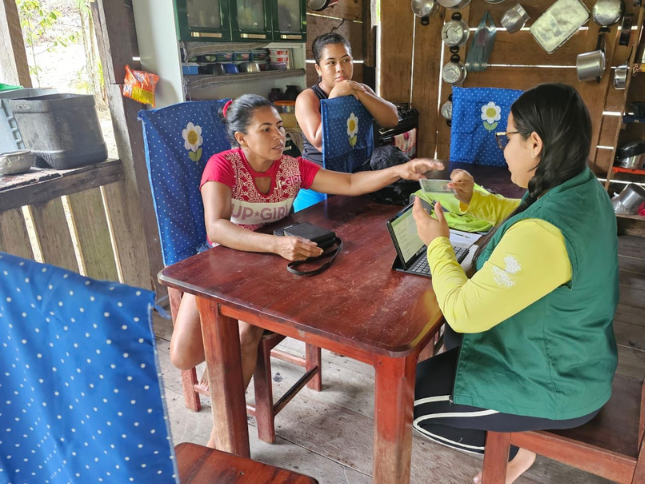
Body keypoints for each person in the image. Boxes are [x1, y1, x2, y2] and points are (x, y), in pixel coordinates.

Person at [168, 94, 442, 449]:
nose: (278, 136)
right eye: (265, 129)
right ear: (242, 138)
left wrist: (399, 170)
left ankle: (221, 438)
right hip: (225, 264)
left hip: (274, 271)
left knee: (248, 331)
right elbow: (216, 228)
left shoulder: (291, 167)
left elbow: (348, 183)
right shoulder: (222, 166)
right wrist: (276, 245)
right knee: (183, 356)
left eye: (280, 127)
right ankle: (223, 373)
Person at [410, 83, 619, 484]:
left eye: (507, 138)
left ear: (535, 143)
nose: (504, 148)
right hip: (573, 355)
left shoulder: (545, 231)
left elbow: (465, 312)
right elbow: (522, 211)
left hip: (553, 383)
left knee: (409, 401)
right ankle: (519, 441)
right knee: (450, 338)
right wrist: (476, 199)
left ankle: (524, 445)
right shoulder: (581, 188)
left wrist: (437, 242)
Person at [296, 32, 399, 166]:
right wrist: (335, 96)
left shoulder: (360, 89)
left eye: (346, 60)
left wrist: (361, 94)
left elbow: (392, 120)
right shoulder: (308, 98)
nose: (340, 68)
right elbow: (321, 144)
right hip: (320, 176)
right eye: (331, 62)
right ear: (318, 68)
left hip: (357, 169)